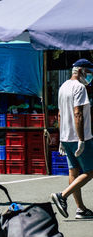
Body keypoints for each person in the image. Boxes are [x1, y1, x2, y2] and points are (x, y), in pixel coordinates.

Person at [51, 58, 93, 219]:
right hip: (80, 136)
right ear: (82, 71)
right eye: (89, 72)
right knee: (90, 171)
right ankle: (62, 196)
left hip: (66, 137)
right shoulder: (79, 87)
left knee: (73, 171)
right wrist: (81, 139)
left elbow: (60, 114)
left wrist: (61, 137)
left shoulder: (63, 87)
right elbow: (78, 113)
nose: (90, 76)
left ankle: (80, 209)